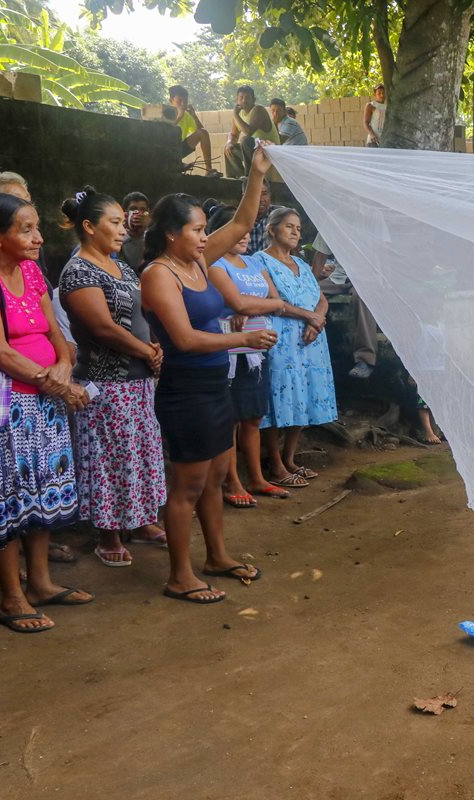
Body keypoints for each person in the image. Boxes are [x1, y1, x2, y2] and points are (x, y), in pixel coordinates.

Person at [140, 149, 277, 604]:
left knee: (218, 475)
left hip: (216, 386)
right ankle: (180, 575)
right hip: (187, 392)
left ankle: (216, 556)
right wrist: (242, 342)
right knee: (187, 486)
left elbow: (241, 224)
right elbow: (185, 339)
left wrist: (255, 175)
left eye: (204, 229)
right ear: (170, 233)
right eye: (197, 230)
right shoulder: (159, 275)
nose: (205, 237)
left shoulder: (196, 262)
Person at [0, 192, 93, 633]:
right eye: (26, 229)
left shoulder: (32, 273)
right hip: (7, 405)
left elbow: (57, 335)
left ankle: (42, 583)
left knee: (42, 489)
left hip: (47, 398)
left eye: (37, 227)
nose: (38, 237)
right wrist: (57, 383)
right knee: (8, 497)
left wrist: (65, 370)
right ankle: (12, 597)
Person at [58, 188, 169, 568]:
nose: (124, 230)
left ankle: (139, 521)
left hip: (137, 381)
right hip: (106, 385)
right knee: (111, 458)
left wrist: (153, 346)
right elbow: (103, 329)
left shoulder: (120, 266)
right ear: (88, 227)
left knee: (138, 451)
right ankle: (108, 534)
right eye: (115, 222)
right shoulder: (78, 271)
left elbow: (141, 316)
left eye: (124, 222)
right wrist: (147, 352)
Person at [204, 201, 320, 499]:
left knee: (253, 416)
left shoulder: (252, 264)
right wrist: (252, 305)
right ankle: (232, 482)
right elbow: (243, 304)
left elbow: (275, 298)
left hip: (257, 349)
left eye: (245, 231)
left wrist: (254, 305)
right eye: (236, 230)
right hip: (229, 350)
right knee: (231, 418)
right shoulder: (216, 265)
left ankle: (256, 477)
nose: (243, 236)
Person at [252, 208, 338, 484]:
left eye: (298, 228)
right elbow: (274, 301)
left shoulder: (301, 263)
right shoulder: (260, 261)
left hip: (311, 339)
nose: (295, 232)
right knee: (279, 397)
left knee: (305, 393)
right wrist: (308, 317)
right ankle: (275, 465)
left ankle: (290, 458)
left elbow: (321, 299)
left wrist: (317, 320)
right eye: (289, 226)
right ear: (272, 229)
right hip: (282, 340)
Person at [311, 233, 380, 379]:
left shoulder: (374, 216)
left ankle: (365, 359)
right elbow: (320, 254)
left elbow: (382, 251)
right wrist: (309, 283)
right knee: (308, 294)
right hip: (338, 277)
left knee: (363, 298)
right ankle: (305, 351)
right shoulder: (330, 218)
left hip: (368, 277)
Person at [224, 86, 279, 179]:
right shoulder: (238, 114)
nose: (244, 101)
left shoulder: (258, 110)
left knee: (245, 140)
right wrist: (229, 142)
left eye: (247, 98)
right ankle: (237, 178)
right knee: (230, 148)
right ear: (237, 100)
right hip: (255, 151)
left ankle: (249, 176)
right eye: (241, 98)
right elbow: (233, 135)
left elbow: (248, 131)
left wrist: (235, 115)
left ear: (254, 100)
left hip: (268, 151)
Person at [168, 85, 221, 178]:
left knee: (203, 132)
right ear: (171, 101)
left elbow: (202, 132)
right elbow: (165, 132)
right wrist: (179, 117)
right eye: (179, 101)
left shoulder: (187, 115)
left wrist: (194, 116)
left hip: (180, 148)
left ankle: (209, 170)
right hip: (166, 150)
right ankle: (177, 164)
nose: (183, 104)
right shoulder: (166, 113)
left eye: (185, 101)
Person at [119, 192, 150, 270]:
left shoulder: (155, 237)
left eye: (143, 210)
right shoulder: (117, 238)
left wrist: (150, 228)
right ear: (124, 212)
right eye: (133, 209)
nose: (138, 213)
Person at [246, 177, 272, 255]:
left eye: (264, 194)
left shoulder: (281, 216)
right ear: (244, 196)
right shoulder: (236, 219)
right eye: (256, 194)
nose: (261, 199)